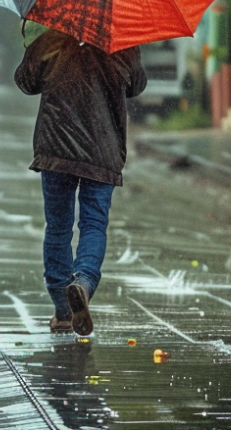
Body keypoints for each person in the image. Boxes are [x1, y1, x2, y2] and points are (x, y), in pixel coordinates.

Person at [14, 27, 146, 336]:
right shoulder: (122, 39)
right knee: (93, 224)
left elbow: (25, 82)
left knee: (58, 227)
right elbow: (136, 85)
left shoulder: (51, 39)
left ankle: (62, 312)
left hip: (56, 148)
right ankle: (83, 284)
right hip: (103, 148)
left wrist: (33, 43)